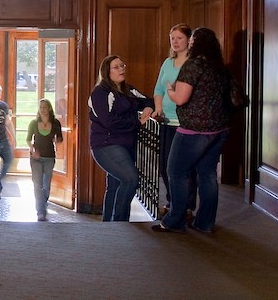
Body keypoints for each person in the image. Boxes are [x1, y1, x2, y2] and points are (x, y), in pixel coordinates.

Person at [153, 27, 233, 234]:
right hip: (219, 128)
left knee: (176, 172)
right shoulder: (219, 67)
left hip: (194, 129)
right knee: (207, 175)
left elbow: (180, 98)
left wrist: (170, 90)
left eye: (189, 40)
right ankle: (205, 223)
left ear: (194, 42)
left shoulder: (193, 65)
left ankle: (174, 221)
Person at [88, 54, 154, 221]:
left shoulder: (128, 89)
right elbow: (109, 121)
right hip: (106, 144)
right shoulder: (100, 92)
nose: (121, 69)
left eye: (122, 65)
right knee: (131, 179)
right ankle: (120, 223)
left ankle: (108, 226)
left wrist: (147, 108)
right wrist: (137, 122)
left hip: (126, 144)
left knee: (115, 185)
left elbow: (148, 100)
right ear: (106, 72)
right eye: (116, 67)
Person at [152, 23, 196, 220]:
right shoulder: (168, 62)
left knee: (184, 168)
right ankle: (172, 202)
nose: (175, 42)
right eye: (172, 39)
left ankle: (186, 207)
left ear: (188, 39)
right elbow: (159, 89)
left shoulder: (193, 62)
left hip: (185, 122)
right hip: (166, 121)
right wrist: (158, 108)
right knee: (165, 166)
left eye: (179, 38)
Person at [27, 98, 63, 221]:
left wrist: (58, 144)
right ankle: (40, 211)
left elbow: (60, 139)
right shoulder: (33, 123)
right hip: (36, 158)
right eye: (40, 107)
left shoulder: (56, 123)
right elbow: (28, 139)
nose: (42, 110)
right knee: (37, 184)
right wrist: (33, 150)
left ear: (49, 109)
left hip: (49, 157)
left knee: (46, 185)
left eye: (45, 107)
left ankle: (43, 202)